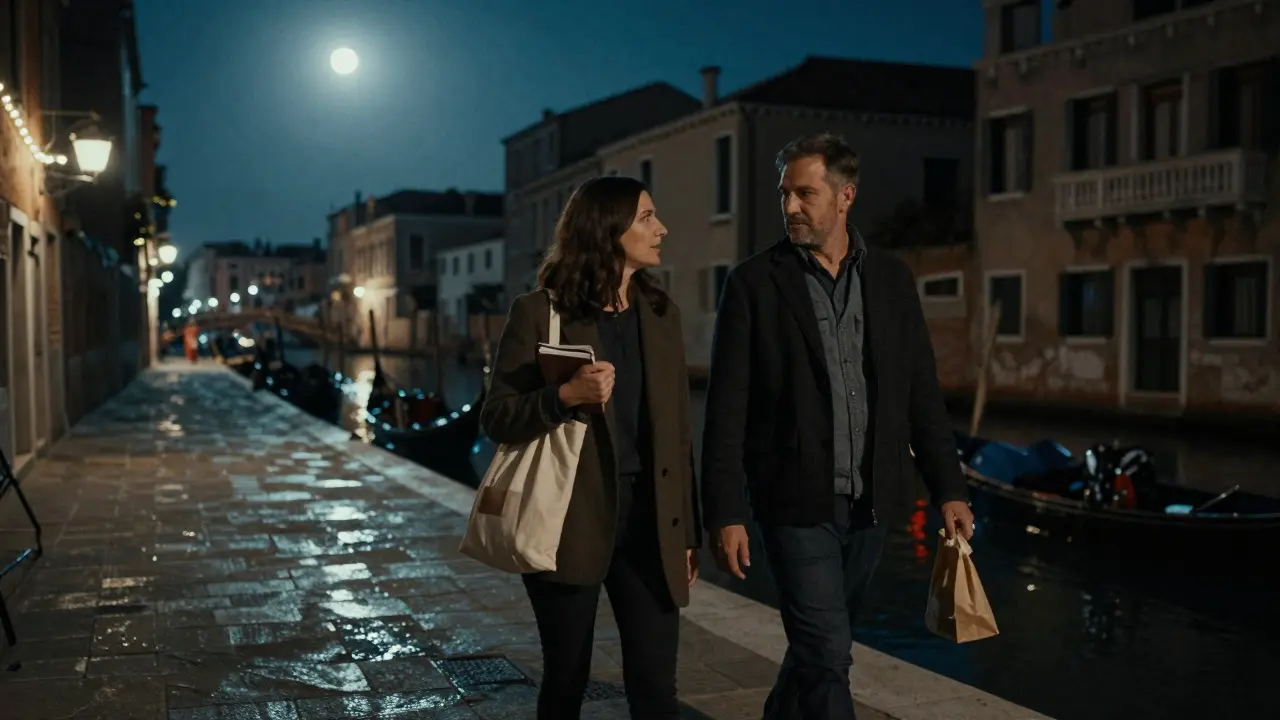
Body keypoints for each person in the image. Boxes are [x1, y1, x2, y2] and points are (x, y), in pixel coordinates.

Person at [700, 133, 973, 719]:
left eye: (805, 193)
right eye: (785, 194)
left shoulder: (892, 280)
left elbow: (921, 395)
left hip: (872, 502)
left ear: (845, 196)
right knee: (829, 656)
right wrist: (725, 512)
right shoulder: (753, 284)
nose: (790, 206)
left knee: (819, 643)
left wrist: (948, 489)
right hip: (792, 502)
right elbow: (726, 410)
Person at [480, 176, 701, 719]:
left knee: (657, 688)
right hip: (567, 519)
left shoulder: (662, 314)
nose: (661, 228)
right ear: (607, 228)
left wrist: (687, 531)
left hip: (650, 521)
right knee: (566, 680)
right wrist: (563, 397)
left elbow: (677, 435)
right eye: (646, 217)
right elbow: (496, 417)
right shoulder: (539, 312)